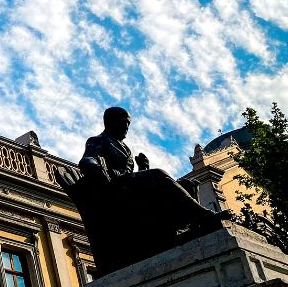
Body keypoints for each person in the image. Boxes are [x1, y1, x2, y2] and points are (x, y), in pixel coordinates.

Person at [60, 107, 228, 276]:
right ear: (110, 122)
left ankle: (191, 226)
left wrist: (142, 167)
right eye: (123, 123)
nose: (126, 127)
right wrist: (96, 168)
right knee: (159, 174)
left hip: (130, 190)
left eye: (128, 124)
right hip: (114, 191)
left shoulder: (125, 148)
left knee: (189, 184)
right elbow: (86, 159)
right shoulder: (98, 141)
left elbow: (133, 175)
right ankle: (202, 215)